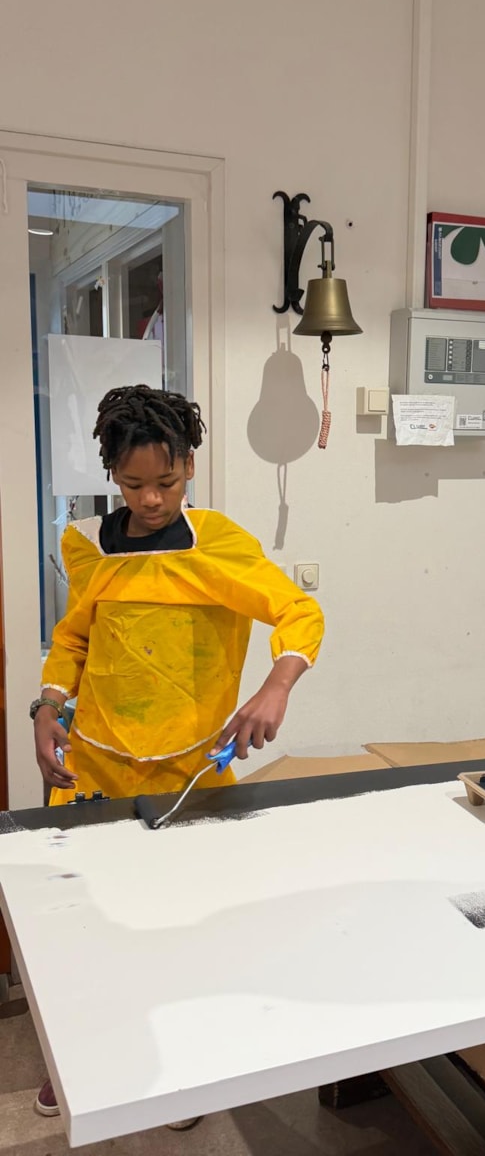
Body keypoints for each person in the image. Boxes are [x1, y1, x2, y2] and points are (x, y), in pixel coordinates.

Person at [31, 384, 324, 1122]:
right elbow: (73, 639)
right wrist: (47, 706)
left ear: (190, 466)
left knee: (182, 924)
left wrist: (276, 685)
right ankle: (76, 1057)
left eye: (166, 481)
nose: (152, 499)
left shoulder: (217, 544)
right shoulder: (87, 545)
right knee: (82, 921)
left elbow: (298, 610)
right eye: (134, 484)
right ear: (112, 475)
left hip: (187, 770)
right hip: (93, 762)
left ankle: (178, 1068)